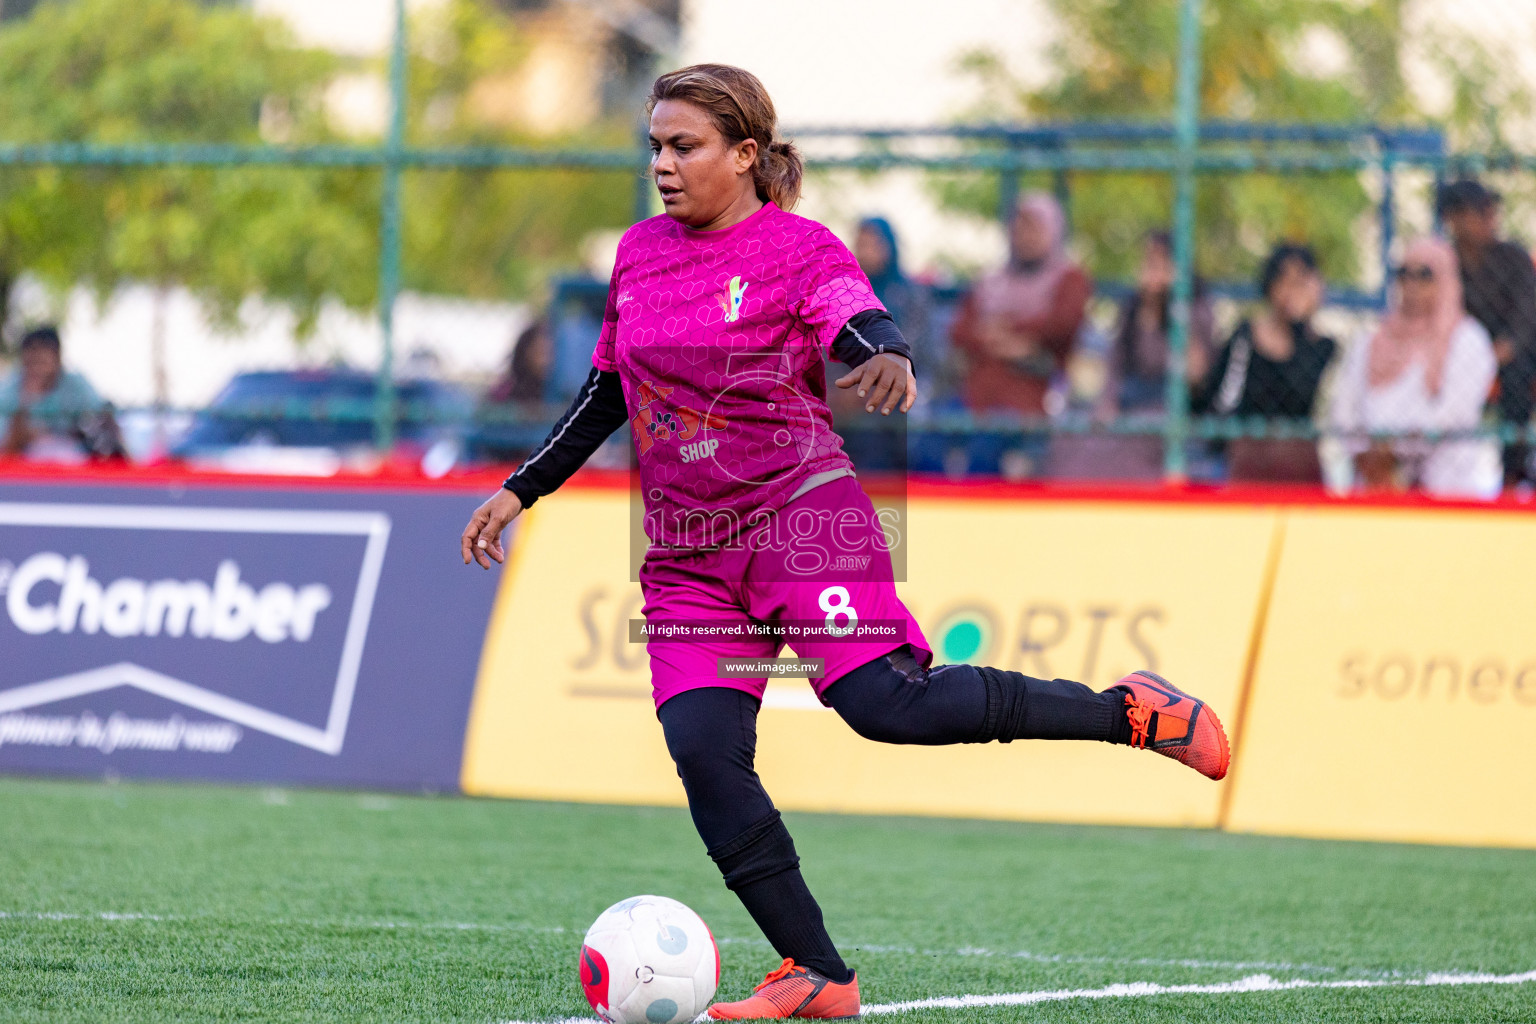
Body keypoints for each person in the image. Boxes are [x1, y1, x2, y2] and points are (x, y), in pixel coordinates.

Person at [458, 65, 1229, 1021]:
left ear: (746, 155)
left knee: (886, 705)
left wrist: (887, 354)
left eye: (683, 145)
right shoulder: (639, 255)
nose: (661, 163)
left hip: (799, 514)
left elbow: (856, 317)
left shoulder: (797, 248)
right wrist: (521, 487)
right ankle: (815, 971)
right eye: (654, 145)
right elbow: (608, 388)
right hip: (689, 556)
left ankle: (1130, 711)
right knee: (703, 748)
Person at [1329, 237, 1500, 499]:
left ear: (1446, 279)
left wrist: (1395, 450)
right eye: (1404, 274)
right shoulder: (1371, 340)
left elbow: (1453, 415)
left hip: (1445, 487)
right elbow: (1344, 411)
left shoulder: (1468, 339)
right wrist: (1369, 457)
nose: (1412, 285)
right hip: (1375, 483)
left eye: (1425, 275)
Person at [1049, 230, 1215, 480]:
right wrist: (1107, 405)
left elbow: (1195, 376)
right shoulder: (1132, 309)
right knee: (1074, 437)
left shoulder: (1195, 310)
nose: (1152, 270)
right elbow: (1114, 366)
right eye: (1148, 262)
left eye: (1161, 263)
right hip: (1129, 401)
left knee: (1136, 440)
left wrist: (1170, 307)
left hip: (1169, 405)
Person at [949, 192, 1091, 477]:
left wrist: (1009, 330)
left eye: (1034, 228)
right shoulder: (992, 280)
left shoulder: (1068, 278)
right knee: (927, 441)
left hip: (1033, 394)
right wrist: (1000, 340)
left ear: (1052, 231)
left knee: (985, 449)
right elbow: (960, 330)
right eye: (1019, 226)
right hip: (976, 393)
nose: (1024, 236)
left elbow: (1062, 323)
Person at [1197, 243, 1337, 483]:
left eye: (1300, 282)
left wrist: (1302, 324)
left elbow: (1304, 394)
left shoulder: (1322, 346)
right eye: (1284, 280)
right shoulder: (1246, 336)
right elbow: (1218, 397)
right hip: (1248, 461)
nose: (1291, 291)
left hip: (1299, 466)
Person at [1436, 179, 1536, 487]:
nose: (1487, 218)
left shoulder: (1513, 258)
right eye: (1476, 212)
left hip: (1515, 353)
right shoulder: (1443, 263)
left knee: (1518, 376)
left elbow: (1527, 315)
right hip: (1459, 353)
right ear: (1453, 218)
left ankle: (1512, 472)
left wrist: (1502, 349)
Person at [0, 325, 121, 461]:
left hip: (73, 463)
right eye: (31, 362)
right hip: (26, 468)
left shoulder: (76, 385)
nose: (36, 369)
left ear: (57, 359)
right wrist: (26, 402)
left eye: (42, 362)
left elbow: (103, 417)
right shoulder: (10, 389)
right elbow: (6, 450)